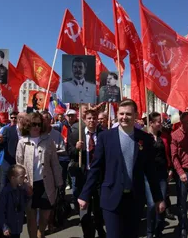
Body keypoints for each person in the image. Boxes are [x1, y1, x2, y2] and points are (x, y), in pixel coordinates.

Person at [78, 99, 165, 238]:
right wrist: (85, 195)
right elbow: (95, 168)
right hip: (111, 196)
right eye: (121, 113)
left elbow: (150, 171)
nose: (124, 117)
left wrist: (158, 198)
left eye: (128, 114)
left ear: (135, 115)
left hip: (135, 198)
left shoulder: (145, 139)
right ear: (117, 115)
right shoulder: (105, 137)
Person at [15, 112, 63, 238]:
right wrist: (23, 183)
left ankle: (41, 234)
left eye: (39, 124)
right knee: (31, 218)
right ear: (27, 125)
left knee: (44, 217)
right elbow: (19, 165)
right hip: (29, 185)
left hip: (46, 184)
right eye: (33, 124)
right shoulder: (22, 143)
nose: (36, 127)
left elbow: (55, 163)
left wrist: (59, 183)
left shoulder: (48, 141)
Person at [68, 109, 106, 238]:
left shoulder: (104, 134)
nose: (92, 121)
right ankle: (87, 233)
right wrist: (76, 148)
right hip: (83, 176)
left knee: (99, 206)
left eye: (94, 118)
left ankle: (100, 228)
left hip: (99, 176)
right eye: (89, 118)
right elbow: (69, 153)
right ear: (84, 120)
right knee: (84, 208)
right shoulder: (76, 135)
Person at [145, 112, 169, 238]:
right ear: (152, 123)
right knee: (151, 204)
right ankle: (149, 232)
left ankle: (158, 230)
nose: (161, 123)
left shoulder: (163, 137)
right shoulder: (144, 137)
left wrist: (170, 169)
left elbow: (167, 153)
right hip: (149, 175)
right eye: (158, 121)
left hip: (162, 174)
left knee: (161, 204)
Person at [0, 164, 31, 238]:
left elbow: (25, 202)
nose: (24, 179)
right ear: (13, 178)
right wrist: (4, 226)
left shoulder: (21, 190)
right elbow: (0, 211)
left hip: (17, 226)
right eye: (22, 177)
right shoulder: (5, 192)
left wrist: (28, 192)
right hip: (7, 228)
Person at [0, 112, 25, 191]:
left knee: (18, 188)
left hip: (21, 165)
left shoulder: (27, 132)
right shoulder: (7, 130)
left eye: (15, 118)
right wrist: (0, 141)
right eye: (12, 118)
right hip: (7, 164)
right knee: (4, 188)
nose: (14, 119)